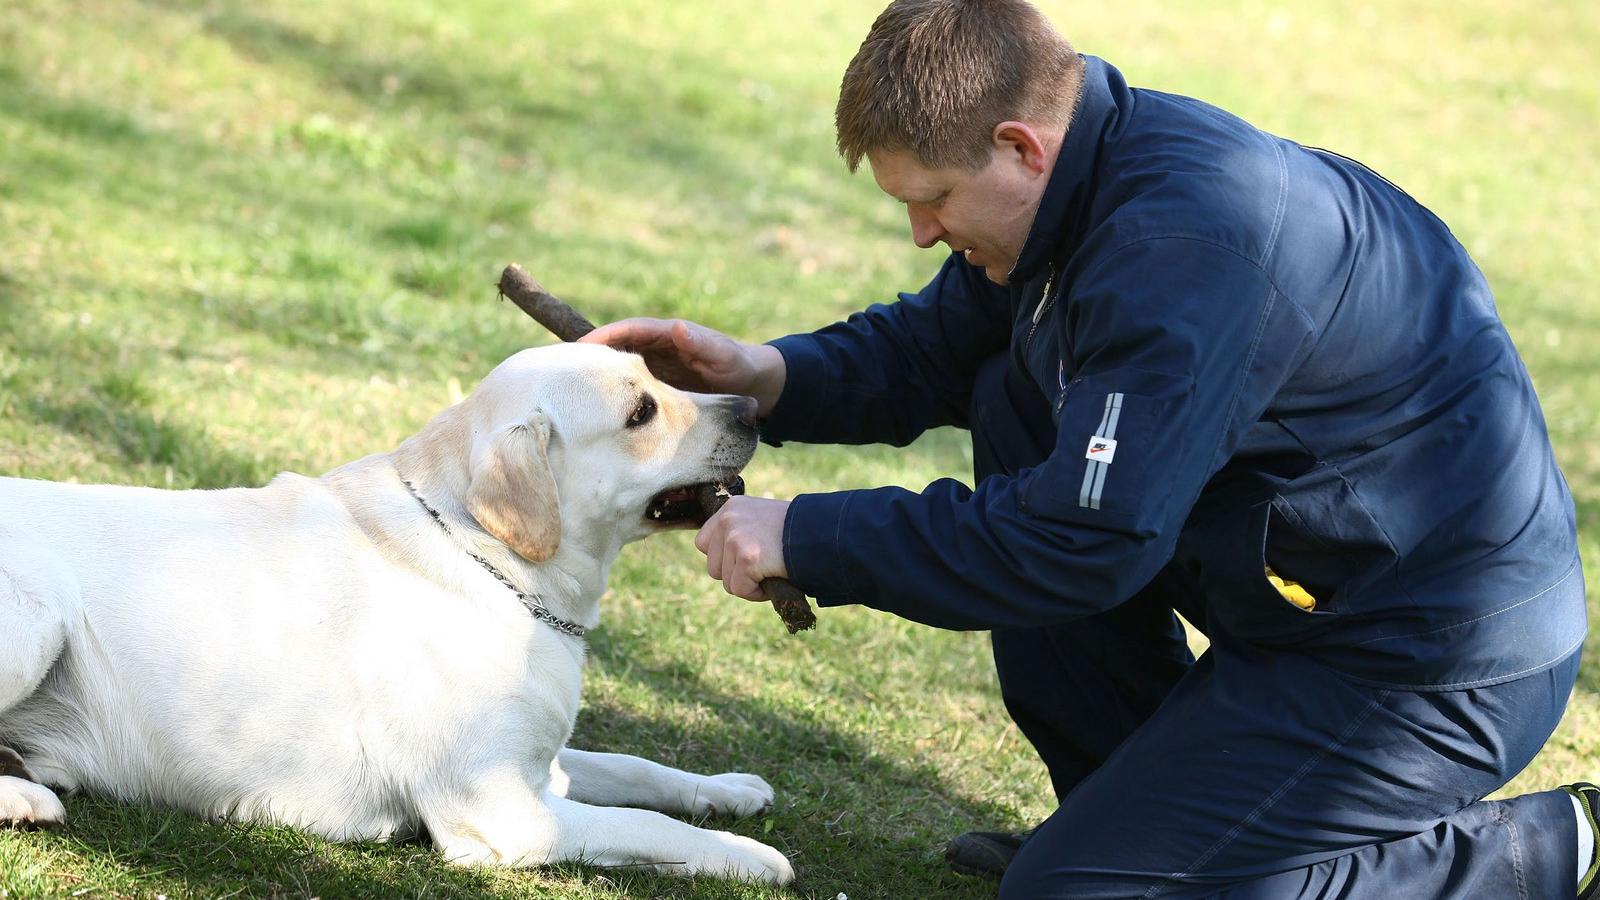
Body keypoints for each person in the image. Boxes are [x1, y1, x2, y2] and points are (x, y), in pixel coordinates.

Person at [581, 0, 1595, 896]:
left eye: (930, 198)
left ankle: (1546, 849)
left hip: (1425, 654)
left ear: (1021, 146)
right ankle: (1128, 813)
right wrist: (762, 375)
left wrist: (810, 535)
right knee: (1011, 389)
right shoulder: (1083, 182)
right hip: (1306, 596)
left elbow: (1080, 539)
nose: (920, 233)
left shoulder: (1186, 250)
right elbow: (938, 346)